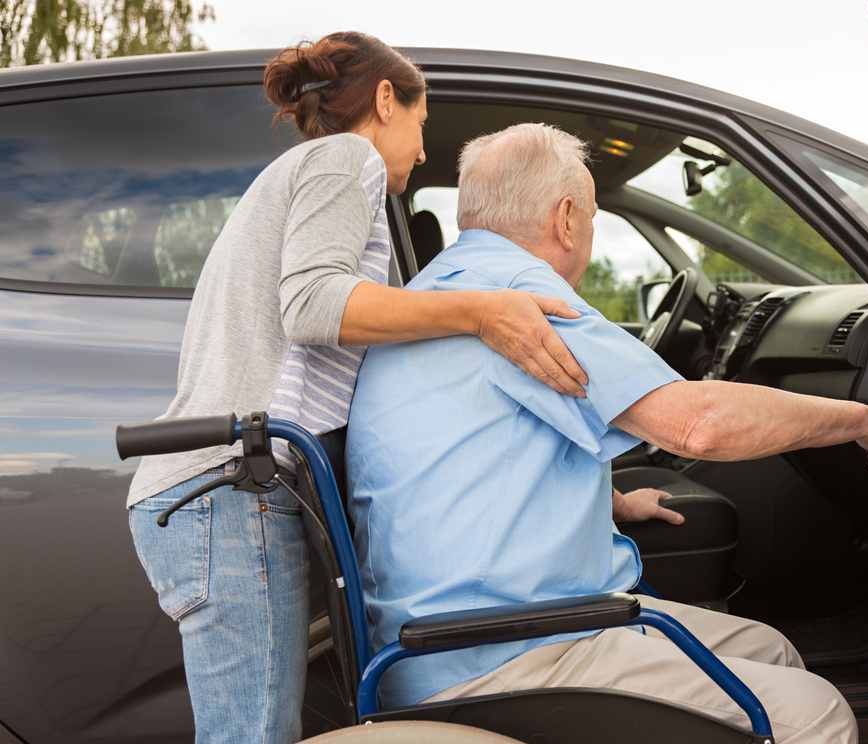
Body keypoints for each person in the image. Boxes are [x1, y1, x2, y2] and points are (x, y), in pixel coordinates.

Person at [346, 123, 868, 743]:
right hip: (500, 651)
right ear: (566, 218)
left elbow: (474, 453)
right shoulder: (521, 302)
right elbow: (697, 425)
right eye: (593, 218)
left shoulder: (432, 294)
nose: (588, 235)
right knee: (817, 714)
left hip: (450, 638)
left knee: (772, 650)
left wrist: (610, 501)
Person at [126, 36, 590, 744]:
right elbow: (312, 305)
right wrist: (481, 309)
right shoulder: (347, 159)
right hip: (225, 495)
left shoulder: (303, 174)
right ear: (384, 100)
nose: (425, 149)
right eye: (422, 121)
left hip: (221, 495)